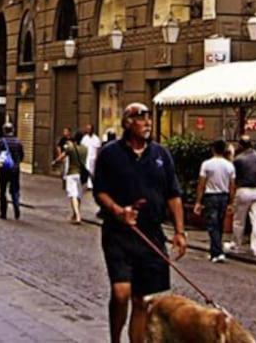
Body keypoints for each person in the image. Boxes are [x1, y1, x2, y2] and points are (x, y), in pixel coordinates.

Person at [93, 103, 187, 343]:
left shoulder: (161, 155)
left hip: (151, 234)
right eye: (140, 118)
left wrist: (179, 231)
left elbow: (173, 194)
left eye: (149, 118)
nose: (147, 122)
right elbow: (100, 191)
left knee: (142, 300)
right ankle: (115, 339)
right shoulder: (110, 153)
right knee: (121, 292)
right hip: (119, 233)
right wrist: (117, 210)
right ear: (127, 123)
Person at [193, 139, 235, 263]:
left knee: (212, 225)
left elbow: (201, 184)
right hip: (224, 196)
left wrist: (198, 201)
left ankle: (217, 252)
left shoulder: (206, 164)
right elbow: (232, 185)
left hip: (210, 196)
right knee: (220, 224)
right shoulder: (229, 165)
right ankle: (214, 251)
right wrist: (231, 202)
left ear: (213, 149)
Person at [227, 135, 256, 257]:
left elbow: (233, 178)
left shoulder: (238, 159)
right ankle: (255, 247)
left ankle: (236, 244)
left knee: (239, 220)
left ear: (240, 145)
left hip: (243, 189)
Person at [0, 123, 25, 220]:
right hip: (15, 170)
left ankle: (3, 213)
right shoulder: (18, 142)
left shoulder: (1, 142)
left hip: (3, 170)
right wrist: (17, 163)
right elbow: (22, 156)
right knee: (15, 189)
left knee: (2, 191)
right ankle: (16, 207)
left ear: (4, 130)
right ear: (13, 130)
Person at [54, 131, 89, 224]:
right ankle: (75, 213)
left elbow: (62, 156)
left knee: (72, 194)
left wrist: (55, 162)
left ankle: (77, 216)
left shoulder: (71, 148)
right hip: (81, 174)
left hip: (72, 173)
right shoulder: (85, 149)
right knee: (78, 195)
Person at [80, 124, 102, 190]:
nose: (88, 130)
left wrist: (97, 158)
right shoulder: (85, 138)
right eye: (87, 129)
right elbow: (82, 148)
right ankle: (89, 185)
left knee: (92, 171)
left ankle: (92, 184)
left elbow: (98, 149)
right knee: (87, 170)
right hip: (86, 157)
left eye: (89, 129)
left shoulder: (96, 139)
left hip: (93, 157)